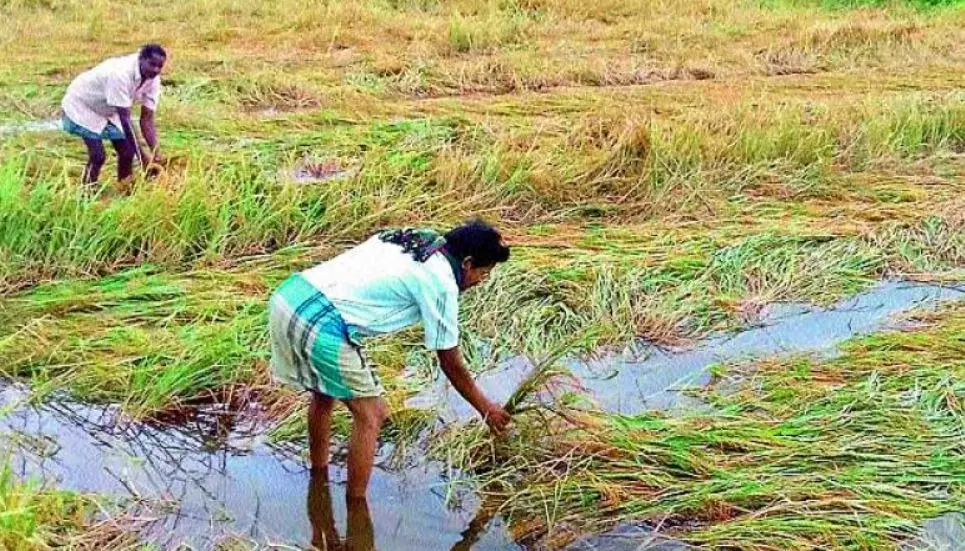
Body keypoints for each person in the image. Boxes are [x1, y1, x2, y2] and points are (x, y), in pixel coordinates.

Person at [270, 220, 512, 498]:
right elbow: (450, 361)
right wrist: (486, 408)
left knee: (324, 395)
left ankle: (318, 482)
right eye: (485, 272)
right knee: (371, 414)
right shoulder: (442, 283)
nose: (483, 281)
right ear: (467, 263)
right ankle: (357, 509)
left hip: (291, 296)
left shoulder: (416, 238)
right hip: (320, 322)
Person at [60, 44, 166, 186]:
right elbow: (126, 120)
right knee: (98, 155)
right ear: (141, 58)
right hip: (83, 105)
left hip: (109, 107)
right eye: (152, 64)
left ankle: (125, 188)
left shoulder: (153, 79)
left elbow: (146, 119)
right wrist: (142, 158)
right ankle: (86, 194)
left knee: (127, 151)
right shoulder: (120, 74)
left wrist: (155, 152)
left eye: (160, 66)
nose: (155, 70)